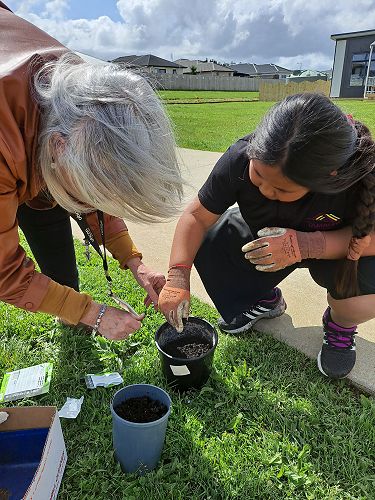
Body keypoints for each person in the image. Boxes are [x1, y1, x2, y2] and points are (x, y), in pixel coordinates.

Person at [158, 92, 375, 380]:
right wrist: (177, 275)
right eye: (258, 176)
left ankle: (340, 327)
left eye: (282, 190)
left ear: (328, 177)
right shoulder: (240, 156)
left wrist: (306, 245)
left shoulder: (360, 175)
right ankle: (264, 298)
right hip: (265, 238)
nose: (265, 191)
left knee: (360, 297)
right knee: (213, 240)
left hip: (338, 248)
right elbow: (197, 217)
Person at [0, 3, 183, 340]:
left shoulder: (89, 92)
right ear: (57, 147)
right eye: (88, 191)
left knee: (56, 243)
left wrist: (135, 264)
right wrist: (90, 312)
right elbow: (3, 271)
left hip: (38, 156)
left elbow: (99, 194)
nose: (91, 204)